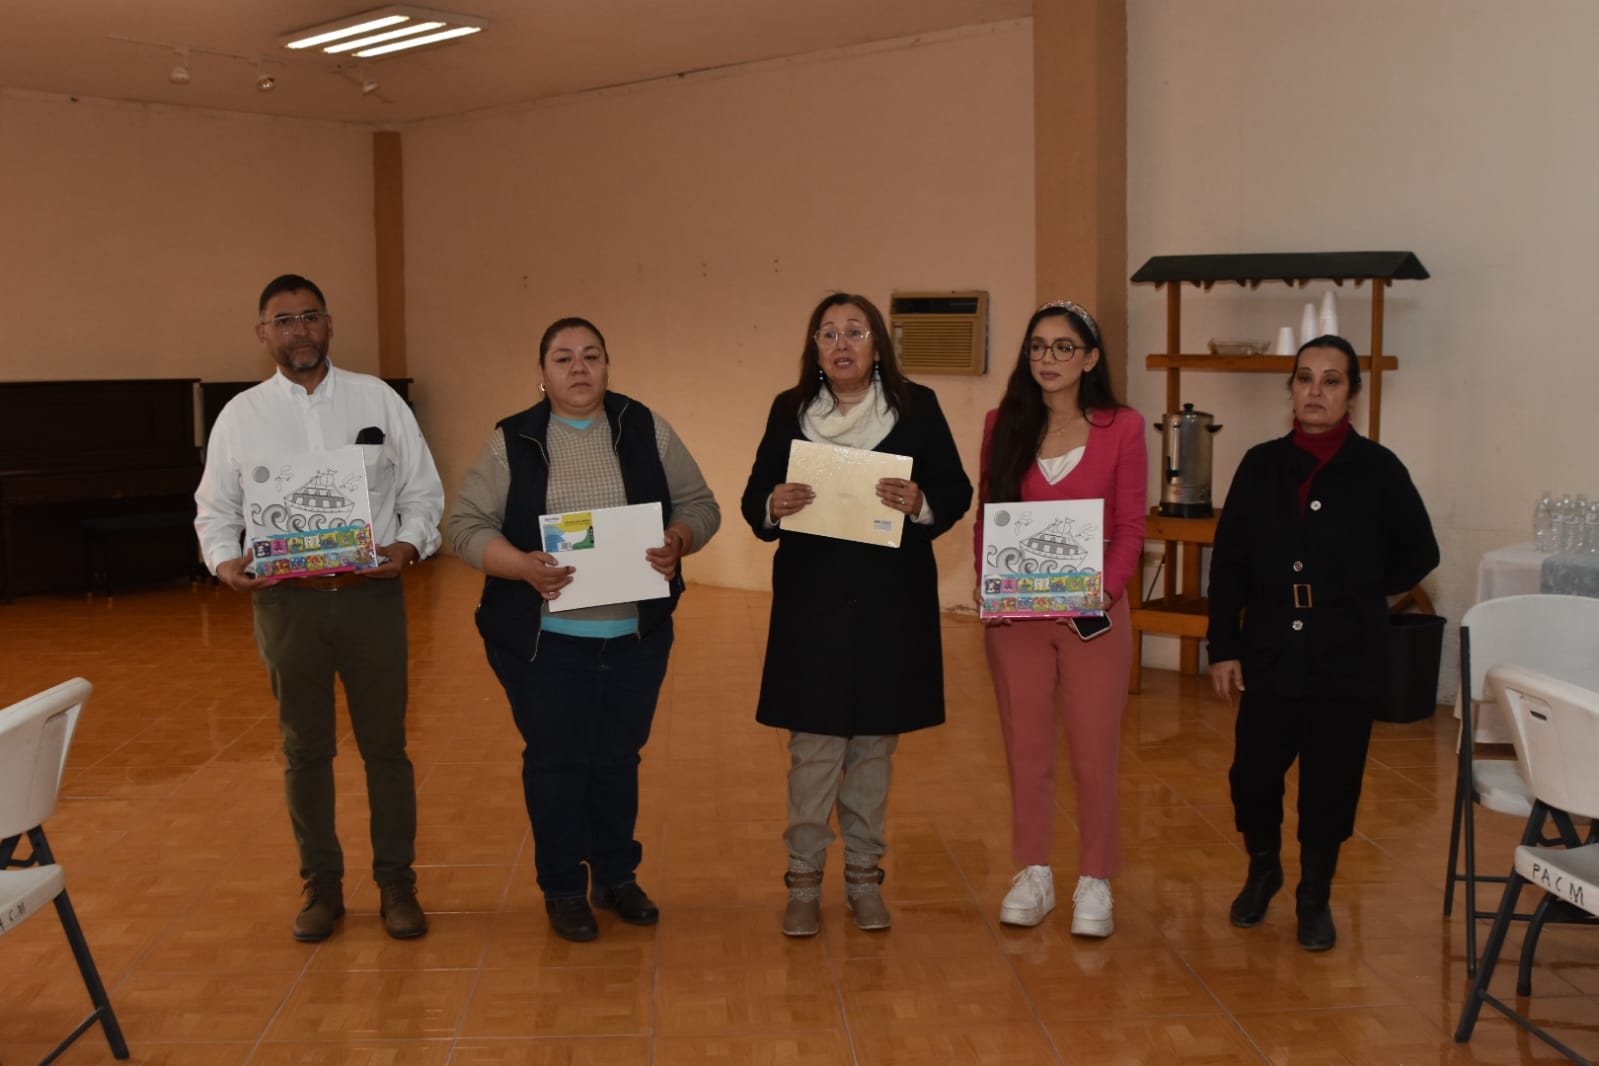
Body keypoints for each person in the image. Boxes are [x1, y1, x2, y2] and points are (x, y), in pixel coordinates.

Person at [448, 316, 720, 943]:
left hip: (635, 637)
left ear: (607, 366)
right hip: (546, 642)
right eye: (563, 358)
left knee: (617, 760)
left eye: (591, 355)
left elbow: (700, 504)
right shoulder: (511, 440)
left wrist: (679, 539)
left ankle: (618, 878)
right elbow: (465, 526)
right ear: (541, 374)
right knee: (556, 763)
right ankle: (565, 886)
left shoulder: (645, 427)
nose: (578, 368)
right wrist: (518, 566)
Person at [195, 273, 444, 942]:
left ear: (330, 325)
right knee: (304, 751)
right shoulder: (241, 417)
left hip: (370, 600)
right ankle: (322, 886)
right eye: (283, 320)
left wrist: (408, 545)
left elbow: (423, 492)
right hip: (287, 606)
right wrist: (224, 561)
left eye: (309, 317)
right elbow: (214, 509)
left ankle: (397, 883)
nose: (298, 330)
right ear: (262, 334)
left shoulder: (377, 399)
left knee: (385, 748)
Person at [741, 292, 972, 937]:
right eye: (828, 334)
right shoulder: (789, 412)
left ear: (877, 345)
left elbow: (956, 492)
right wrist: (773, 503)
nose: (841, 344)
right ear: (814, 349)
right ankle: (804, 881)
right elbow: (752, 499)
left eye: (855, 331)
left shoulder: (916, 407)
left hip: (888, 608)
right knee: (813, 750)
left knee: (872, 749)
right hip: (812, 610)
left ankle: (866, 878)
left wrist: (922, 502)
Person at [1208, 334, 1439, 951]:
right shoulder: (1259, 463)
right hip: (1270, 649)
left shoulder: (1380, 470)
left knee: (1331, 781)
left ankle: (1315, 893)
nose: (1315, 390)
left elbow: (1421, 552)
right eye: (1305, 378)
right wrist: (1223, 646)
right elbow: (1228, 561)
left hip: (1347, 651)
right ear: (1291, 388)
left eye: (1331, 380)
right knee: (1252, 774)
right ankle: (1264, 868)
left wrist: (1359, 591)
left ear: (1352, 395)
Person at [976, 299, 1147, 937]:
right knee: (1026, 747)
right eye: (1039, 347)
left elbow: (1131, 526)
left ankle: (1095, 876)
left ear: (1091, 359)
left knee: (1095, 749)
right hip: (1017, 618)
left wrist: (1106, 589)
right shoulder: (1003, 424)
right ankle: (1035, 871)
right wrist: (989, 589)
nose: (1049, 359)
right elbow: (988, 518)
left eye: (1064, 347)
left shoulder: (1123, 428)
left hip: (1093, 616)